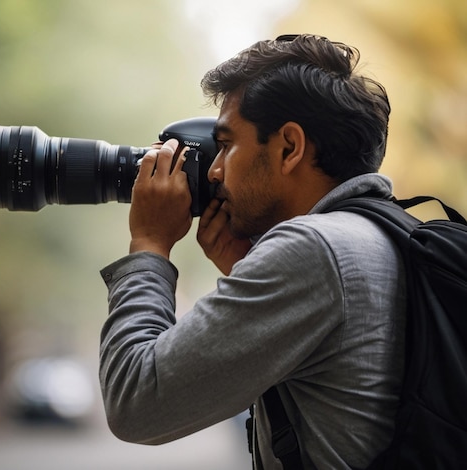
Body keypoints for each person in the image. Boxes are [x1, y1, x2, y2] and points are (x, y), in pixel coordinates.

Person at [98, 34, 405, 469]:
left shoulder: (313, 251)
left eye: (225, 145)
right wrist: (247, 268)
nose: (216, 169)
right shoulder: (382, 236)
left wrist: (150, 244)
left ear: (289, 147)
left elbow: (135, 403)